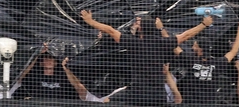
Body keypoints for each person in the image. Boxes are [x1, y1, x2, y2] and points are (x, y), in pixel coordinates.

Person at [80, 11, 213, 107]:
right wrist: (203, 24)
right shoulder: (163, 43)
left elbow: (110, 30)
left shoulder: (134, 42)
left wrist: (90, 21)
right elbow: (185, 35)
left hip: (137, 94)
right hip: (157, 95)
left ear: (141, 29)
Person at [178, 23, 239, 105]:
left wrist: (162, 30)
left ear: (200, 49)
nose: (192, 47)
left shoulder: (190, 60)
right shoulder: (217, 63)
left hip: (190, 104)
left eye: (195, 46)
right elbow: (233, 52)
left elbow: (174, 46)